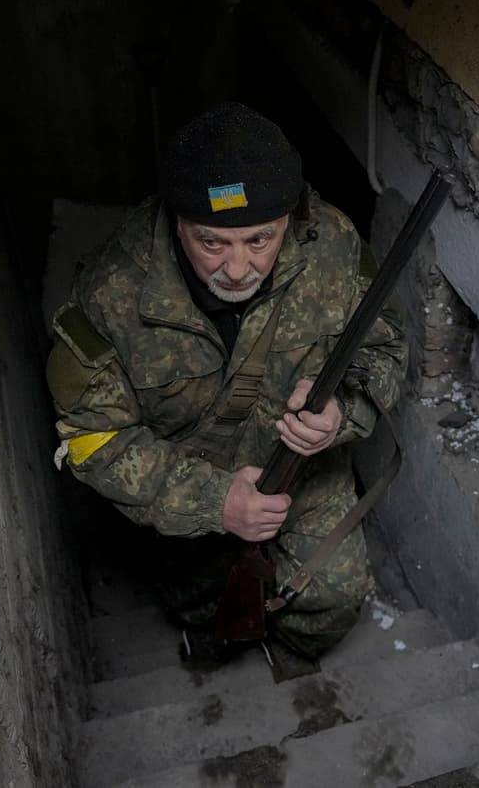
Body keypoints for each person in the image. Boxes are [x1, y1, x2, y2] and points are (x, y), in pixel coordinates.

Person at [45, 102, 407, 659]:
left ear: (290, 218)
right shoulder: (113, 289)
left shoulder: (331, 245)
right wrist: (215, 502)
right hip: (190, 483)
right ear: (177, 221)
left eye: (260, 240)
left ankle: (284, 673)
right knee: (199, 608)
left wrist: (343, 410)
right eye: (211, 242)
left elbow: (383, 343)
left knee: (333, 602)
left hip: (303, 470)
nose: (237, 268)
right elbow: (91, 437)